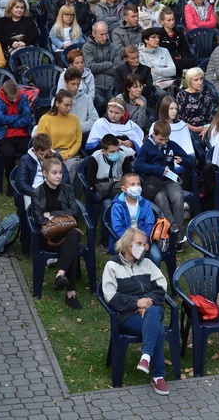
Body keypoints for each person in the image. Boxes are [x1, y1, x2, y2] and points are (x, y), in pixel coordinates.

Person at [102, 227, 170, 395]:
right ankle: (158, 377)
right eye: (138, 243)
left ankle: (146, 357)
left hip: (152, 309)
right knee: (158, 330)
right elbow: (111, 296)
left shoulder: (147, 264)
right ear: (127, 244)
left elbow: (161, 287)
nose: (143, 247)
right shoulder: (112, 266)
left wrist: (146, 303)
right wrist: (135, 304)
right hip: (128, 316)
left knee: (154, 313)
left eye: (144, 244)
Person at [31, 157, 83, 310]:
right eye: (54, 173)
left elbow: (74, 212)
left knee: (73, 236)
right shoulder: (37, 193)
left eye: (60, 172)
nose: (58, 176)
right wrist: (62, 215)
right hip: (49, 238)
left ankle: (61, 275)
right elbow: (40, 220)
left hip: (67, 235)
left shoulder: (67, 189)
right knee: (73, 239)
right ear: (45, 173)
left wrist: (52, 215)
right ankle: (70, 293)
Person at [134, 120, 195, 247]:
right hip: (154, 182)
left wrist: (183, 160)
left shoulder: (172, 145)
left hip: (170, 180)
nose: (163, 142)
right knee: (161, 199)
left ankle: (178, 235)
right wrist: (157, 170)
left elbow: (191, 161)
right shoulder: (146, 147)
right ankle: (175, 230)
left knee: (178, 197)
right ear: (154, 134)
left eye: (166, 139)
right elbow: (138, 166)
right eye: (161, 139)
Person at [86, 133, 132, 253]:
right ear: (104, 151)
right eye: (112, 151)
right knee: (108, 204)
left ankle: (127, 237)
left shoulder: (123, 156)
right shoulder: (96, 157)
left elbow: (128, 175)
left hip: (120, 189)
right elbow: (90, 179)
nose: (116, 153)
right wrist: (109, 182)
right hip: (101, 192)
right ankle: (105, 240)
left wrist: (121, 181)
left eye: (117, 150)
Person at [0, 80, 32, 197]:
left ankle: (27, 180)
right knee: (8, 154)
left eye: (15, 97)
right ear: (4, 93)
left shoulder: (22, 98)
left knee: (30, 151)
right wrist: (19, 117)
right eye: (11, 98)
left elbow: (27, 118)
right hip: (4, 136)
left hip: (22, 134)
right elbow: (1, 119)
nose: (14, 100)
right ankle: (10, 180)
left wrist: (11, 124)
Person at [110, 173, 160, 265]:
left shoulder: (145, 203)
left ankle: (150, 278)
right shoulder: (117, 206)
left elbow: (149, 224)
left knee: (156, 257)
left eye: (138, 184)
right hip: (125, 240)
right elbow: (117, 228)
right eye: (132, 184)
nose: (137, 187)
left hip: (144, 239)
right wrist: (132, 243)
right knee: (132, 258)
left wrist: (146, 242)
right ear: (123, 188)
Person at [37, 89, 82, 185]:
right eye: (66, 105)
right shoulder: (45, 119)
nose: (69, 108)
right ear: (57, 103)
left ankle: (71, 195)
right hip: (50, 154)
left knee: (75, 164)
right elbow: (42, 143)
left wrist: (67, 155)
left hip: (71, 154)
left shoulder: (74, 119)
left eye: (71, 105)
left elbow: (78, 141)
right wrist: (57, 157)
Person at [17, 133, 70, 209]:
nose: (45, 156)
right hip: (33, 192)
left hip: (54, 189)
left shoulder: (56, 156)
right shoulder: (25, 160)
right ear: (34, 151)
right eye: (41, 154)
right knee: (35, 210)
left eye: (47, 153)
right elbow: (22, 183)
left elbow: (65, 176)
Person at [82, 21, 122, 110]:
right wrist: (109, 64)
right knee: (100, 101)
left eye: (106, 34)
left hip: (112, 84)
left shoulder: (114, 48)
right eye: (101, 34)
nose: (104, 37)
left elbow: (117, 69)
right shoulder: (87, 47)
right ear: (94, 34)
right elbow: (90, 67)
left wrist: (98, 65)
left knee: (117, 104)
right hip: (94, 84)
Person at [62, 67, 98, 146]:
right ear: (65, 82)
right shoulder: (58, 100)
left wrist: (78, 127)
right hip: (64, 137)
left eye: (78, 84)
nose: (76, 87)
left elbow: (95, 119)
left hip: (83, 135)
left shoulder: (86, 98)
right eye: (73, 84)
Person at [176, 67, 216, 139]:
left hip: (206, 129)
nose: (199, 82)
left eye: (201, 79)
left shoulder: (207, 94)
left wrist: (207, 129)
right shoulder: (182, 95)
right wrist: (195, 129)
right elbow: (179, 119)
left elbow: (213, 115)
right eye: (196, 80)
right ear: (189, 81)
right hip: (188, 130)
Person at [158, 8, 196, 80]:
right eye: (168, 20)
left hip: (181, 59)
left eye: (173, 19)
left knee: (190, 61)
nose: (172, 22)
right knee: (191, 63)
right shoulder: (160, 35)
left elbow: (185, 49)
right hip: (168, 62)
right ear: (162, 22)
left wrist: (184, 59)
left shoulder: (179, 33)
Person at [138, 28, 176, 94]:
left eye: (158, 37)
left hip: (170, 81)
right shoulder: (140, 54)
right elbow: (146, 76)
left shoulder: (164, 50)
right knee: (163, 94)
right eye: (153, 37)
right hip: (154, 84)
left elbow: (173, 71)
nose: (157, 40)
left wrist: (155, 70)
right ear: (146, 40)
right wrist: (165, 71)